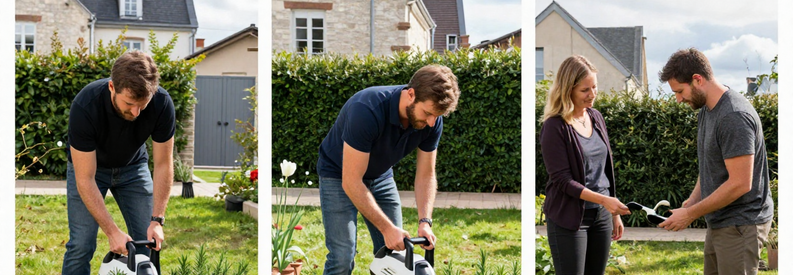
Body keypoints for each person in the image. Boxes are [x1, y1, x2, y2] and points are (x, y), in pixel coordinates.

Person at [316, 64, 460, 274]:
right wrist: (386, 228)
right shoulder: (366, 109)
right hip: (338, 175)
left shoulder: (432, 121)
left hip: (380, 176)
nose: (431, 123)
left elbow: (426, 174)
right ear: (411, 94)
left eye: (437, 116)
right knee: (342, 257)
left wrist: (425, 222)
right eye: (428, 113)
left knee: (394, 254)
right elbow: (351, 180)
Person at [658, 48, 773, 275]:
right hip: (720, 221)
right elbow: (711, 165)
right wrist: (693, 201)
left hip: (741, 224)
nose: (678, 99)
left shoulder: (733, 116)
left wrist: (691, 215)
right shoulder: (708, 110)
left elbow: (740, 183)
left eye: (680, 91)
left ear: (697, 79)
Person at [62, 51, 175, 274]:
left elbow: (163, 163)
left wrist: (157, 220)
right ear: (112, 87)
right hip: (91, 172)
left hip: (133, 168)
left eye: (142, 105)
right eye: (130, 103)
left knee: (148, 242)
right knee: (81, 245)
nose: (136, 112)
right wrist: (112, 231)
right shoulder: (86, 105)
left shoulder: (161, 103)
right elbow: (84, 178)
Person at [540, 55, 631, 275]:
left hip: (601, 215)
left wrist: (613, 213)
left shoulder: (596, 117)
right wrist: (605, 201)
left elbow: (605, 171)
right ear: (567, 90)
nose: (592, 95)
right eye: (585, 90)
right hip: (569, 219)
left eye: (595, 87)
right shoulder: (554, 126)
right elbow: (563, 181)